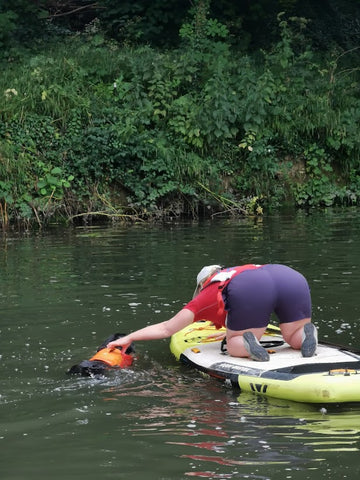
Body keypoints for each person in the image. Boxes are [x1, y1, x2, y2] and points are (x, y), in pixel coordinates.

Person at [107, 263, 318, 362]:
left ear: (202, 284)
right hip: (288, 275)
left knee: (234, 343)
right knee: (293, 335)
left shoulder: (208, 293)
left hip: (251, 288)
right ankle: (305, 333)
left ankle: (246, 343)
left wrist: (129, 337)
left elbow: (166, 328)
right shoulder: (239, 270)